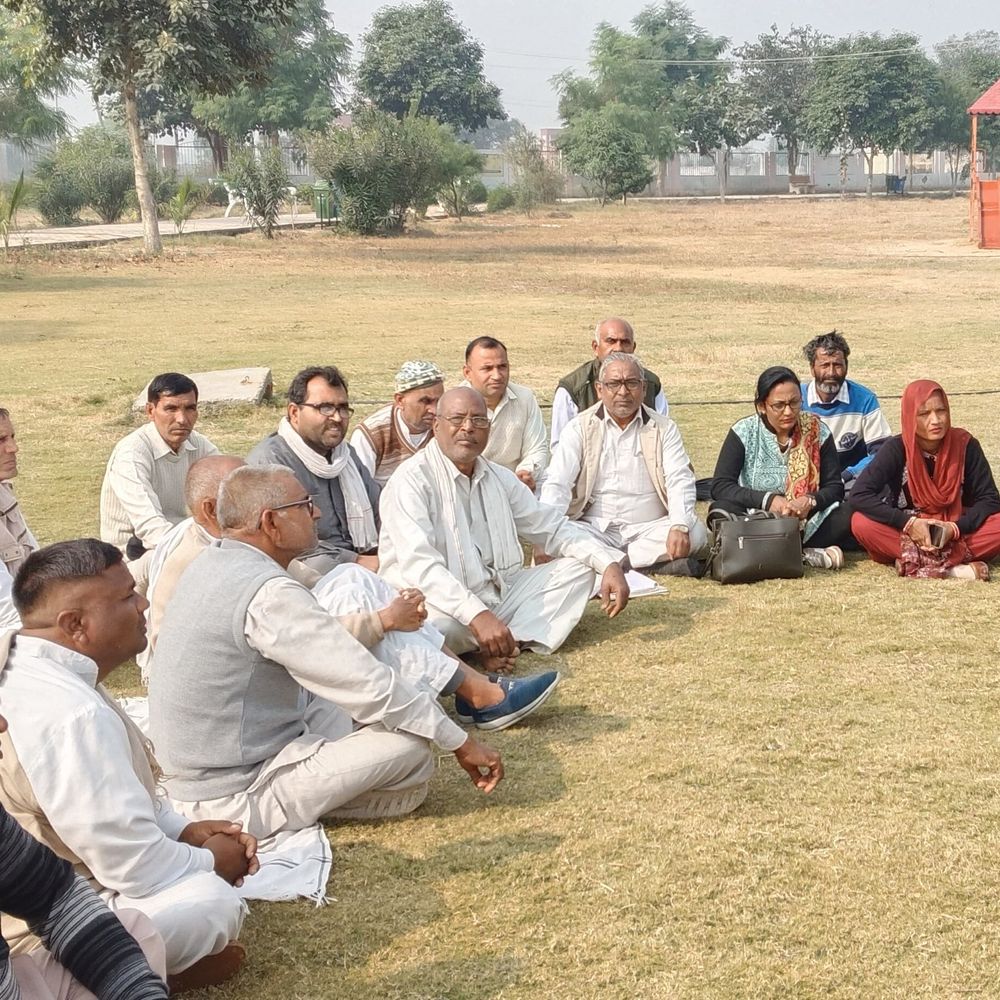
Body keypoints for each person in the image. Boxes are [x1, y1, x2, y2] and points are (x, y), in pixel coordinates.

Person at [148, 464, 510, 840]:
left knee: (397, 707)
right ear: (271, 522)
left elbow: (340, 659)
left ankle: (461, 691)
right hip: (236, 793)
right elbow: (366, 682)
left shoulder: (215, 563)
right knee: (413, 748)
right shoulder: (267, 593)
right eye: (305, 504)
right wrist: (461, 742)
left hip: (225, 762)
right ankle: (307, 805)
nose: (317, 512)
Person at [145, 459, 559, 731]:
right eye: (239, 491)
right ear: (211, 510)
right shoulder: (201, 562)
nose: (315, 513)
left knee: (354, 579)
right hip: (243, 696)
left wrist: (391, 602)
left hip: (276, 659)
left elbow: (307, 596)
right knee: (407, 756)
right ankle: (476, 693)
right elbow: (299, 634)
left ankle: (472, 685)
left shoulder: (239, 549)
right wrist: (384, 618)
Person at [0, 540, 251, 989]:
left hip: (53, 892)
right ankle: (98, 980)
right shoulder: (70, 712)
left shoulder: (36, 663)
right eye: (127, 596)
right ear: (75, 624)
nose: (143, 604)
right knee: (210, 904)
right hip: (39, 928)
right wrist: (215, 859)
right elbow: (135, 868)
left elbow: (116, 814)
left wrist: (181, 831)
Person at [379, 387, 631, 674]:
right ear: (436, 425)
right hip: (435, 603)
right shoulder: (411, 481)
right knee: (437, 627)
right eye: (457, 419)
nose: (468, 428)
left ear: (489, 428)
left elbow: (551, 527)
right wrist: (476, 615)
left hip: (496, 596)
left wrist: (607, 562)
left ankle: (505, 641)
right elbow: (421, 567)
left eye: (478, 420)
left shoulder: (498, 477)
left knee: (580, 569)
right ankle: (489, 638)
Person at [0, 710, 169, 1000]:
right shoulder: (77, 717)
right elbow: (139, 865)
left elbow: (56, 898)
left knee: (134, 933)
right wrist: (208, 860)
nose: (3, 724)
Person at [541, 353, 707, 575]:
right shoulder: (579, 427)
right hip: (594, 529)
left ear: (644, 388)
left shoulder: (664, 428)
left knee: (695, 533)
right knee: (560, 536)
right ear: (599, 389)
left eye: (631, 383)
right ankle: (646, 564)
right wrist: (545, 533)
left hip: (650, 528)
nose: (623, 392)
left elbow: (679, 478)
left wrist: (678, 526)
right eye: (614, 384)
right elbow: (558, 482)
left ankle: (610, 561)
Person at [850, 380, 1000, 580]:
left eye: (941, 411)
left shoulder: (965, 445)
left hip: (957, 529)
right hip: (910, 531)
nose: (935, 420)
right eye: (924, 414)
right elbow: (859, 494)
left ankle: (914, 562)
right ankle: (953, 570)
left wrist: (954, 528)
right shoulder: (897, 448)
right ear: (910, 416)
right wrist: (909, 524)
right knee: (861, 523)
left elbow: (989, 499)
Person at [709, 366, 850, 569]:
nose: (788, 412)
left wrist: (809, 501)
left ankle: (767, 551)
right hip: (756, 515)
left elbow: (835, 487)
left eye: (795, 403)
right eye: (779, 405)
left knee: (847, 513)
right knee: (721, 509)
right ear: (762, 406)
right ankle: (801, 554)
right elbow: (720, 485)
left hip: (806, 519)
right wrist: (768, 501)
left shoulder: (817, 431)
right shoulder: (744, 431)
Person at [248, 366, 380, 573]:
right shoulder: (270, 463)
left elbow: (380, 511)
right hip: (307, 565)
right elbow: (286, 540)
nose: (337, 418)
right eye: (325, 408)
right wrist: (356, 561)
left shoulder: (346, 455)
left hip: (366, 561)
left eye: (343, 408)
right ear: (294, 413)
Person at [99, 373, 218, 591]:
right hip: (132, 563)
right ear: (150, 411)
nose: (182, 419)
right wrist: (203, 551)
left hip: (183, 547)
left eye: (190, 408)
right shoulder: (132, 453)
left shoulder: (198, 445)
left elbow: (232, 488)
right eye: (171, 409)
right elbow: (151, 529)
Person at [550, 318, 668, 448]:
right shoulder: (573, 388)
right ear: (595, 347)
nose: (618, 348)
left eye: (625, 342)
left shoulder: (651, 384)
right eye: (611, 341)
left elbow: (663, 434)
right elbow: (560, 446)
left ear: (633, 348)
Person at [800, 331, 892, 487]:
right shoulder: (796, 399)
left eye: (837, 365)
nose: (831, 373)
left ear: (846, 367)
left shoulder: (865, 399)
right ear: (812, 368)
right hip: (803, 482)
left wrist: (848, 475)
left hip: (849, 483)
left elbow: (881, 452)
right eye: (824, 365)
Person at [460, 338, 548, 491]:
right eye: (487, 368)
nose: (497, 375)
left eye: (502, 367)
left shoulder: (524, 398)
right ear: (468, 373)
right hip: (470, 487)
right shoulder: (454, 405)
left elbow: (537, 448)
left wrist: (526, 472)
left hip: (516, 486)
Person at [350, 361, 444, 486]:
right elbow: (359, 489)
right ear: (400, 400)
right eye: (425, 401)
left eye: (439, 401)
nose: (434, 410)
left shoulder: (446, 426)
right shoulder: (371, 434)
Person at [0, 408, 37, 630]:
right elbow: (6, 611)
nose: (14, 448)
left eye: (12, 437)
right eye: (1, 440)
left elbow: (38, 562)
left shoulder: (3, 493)